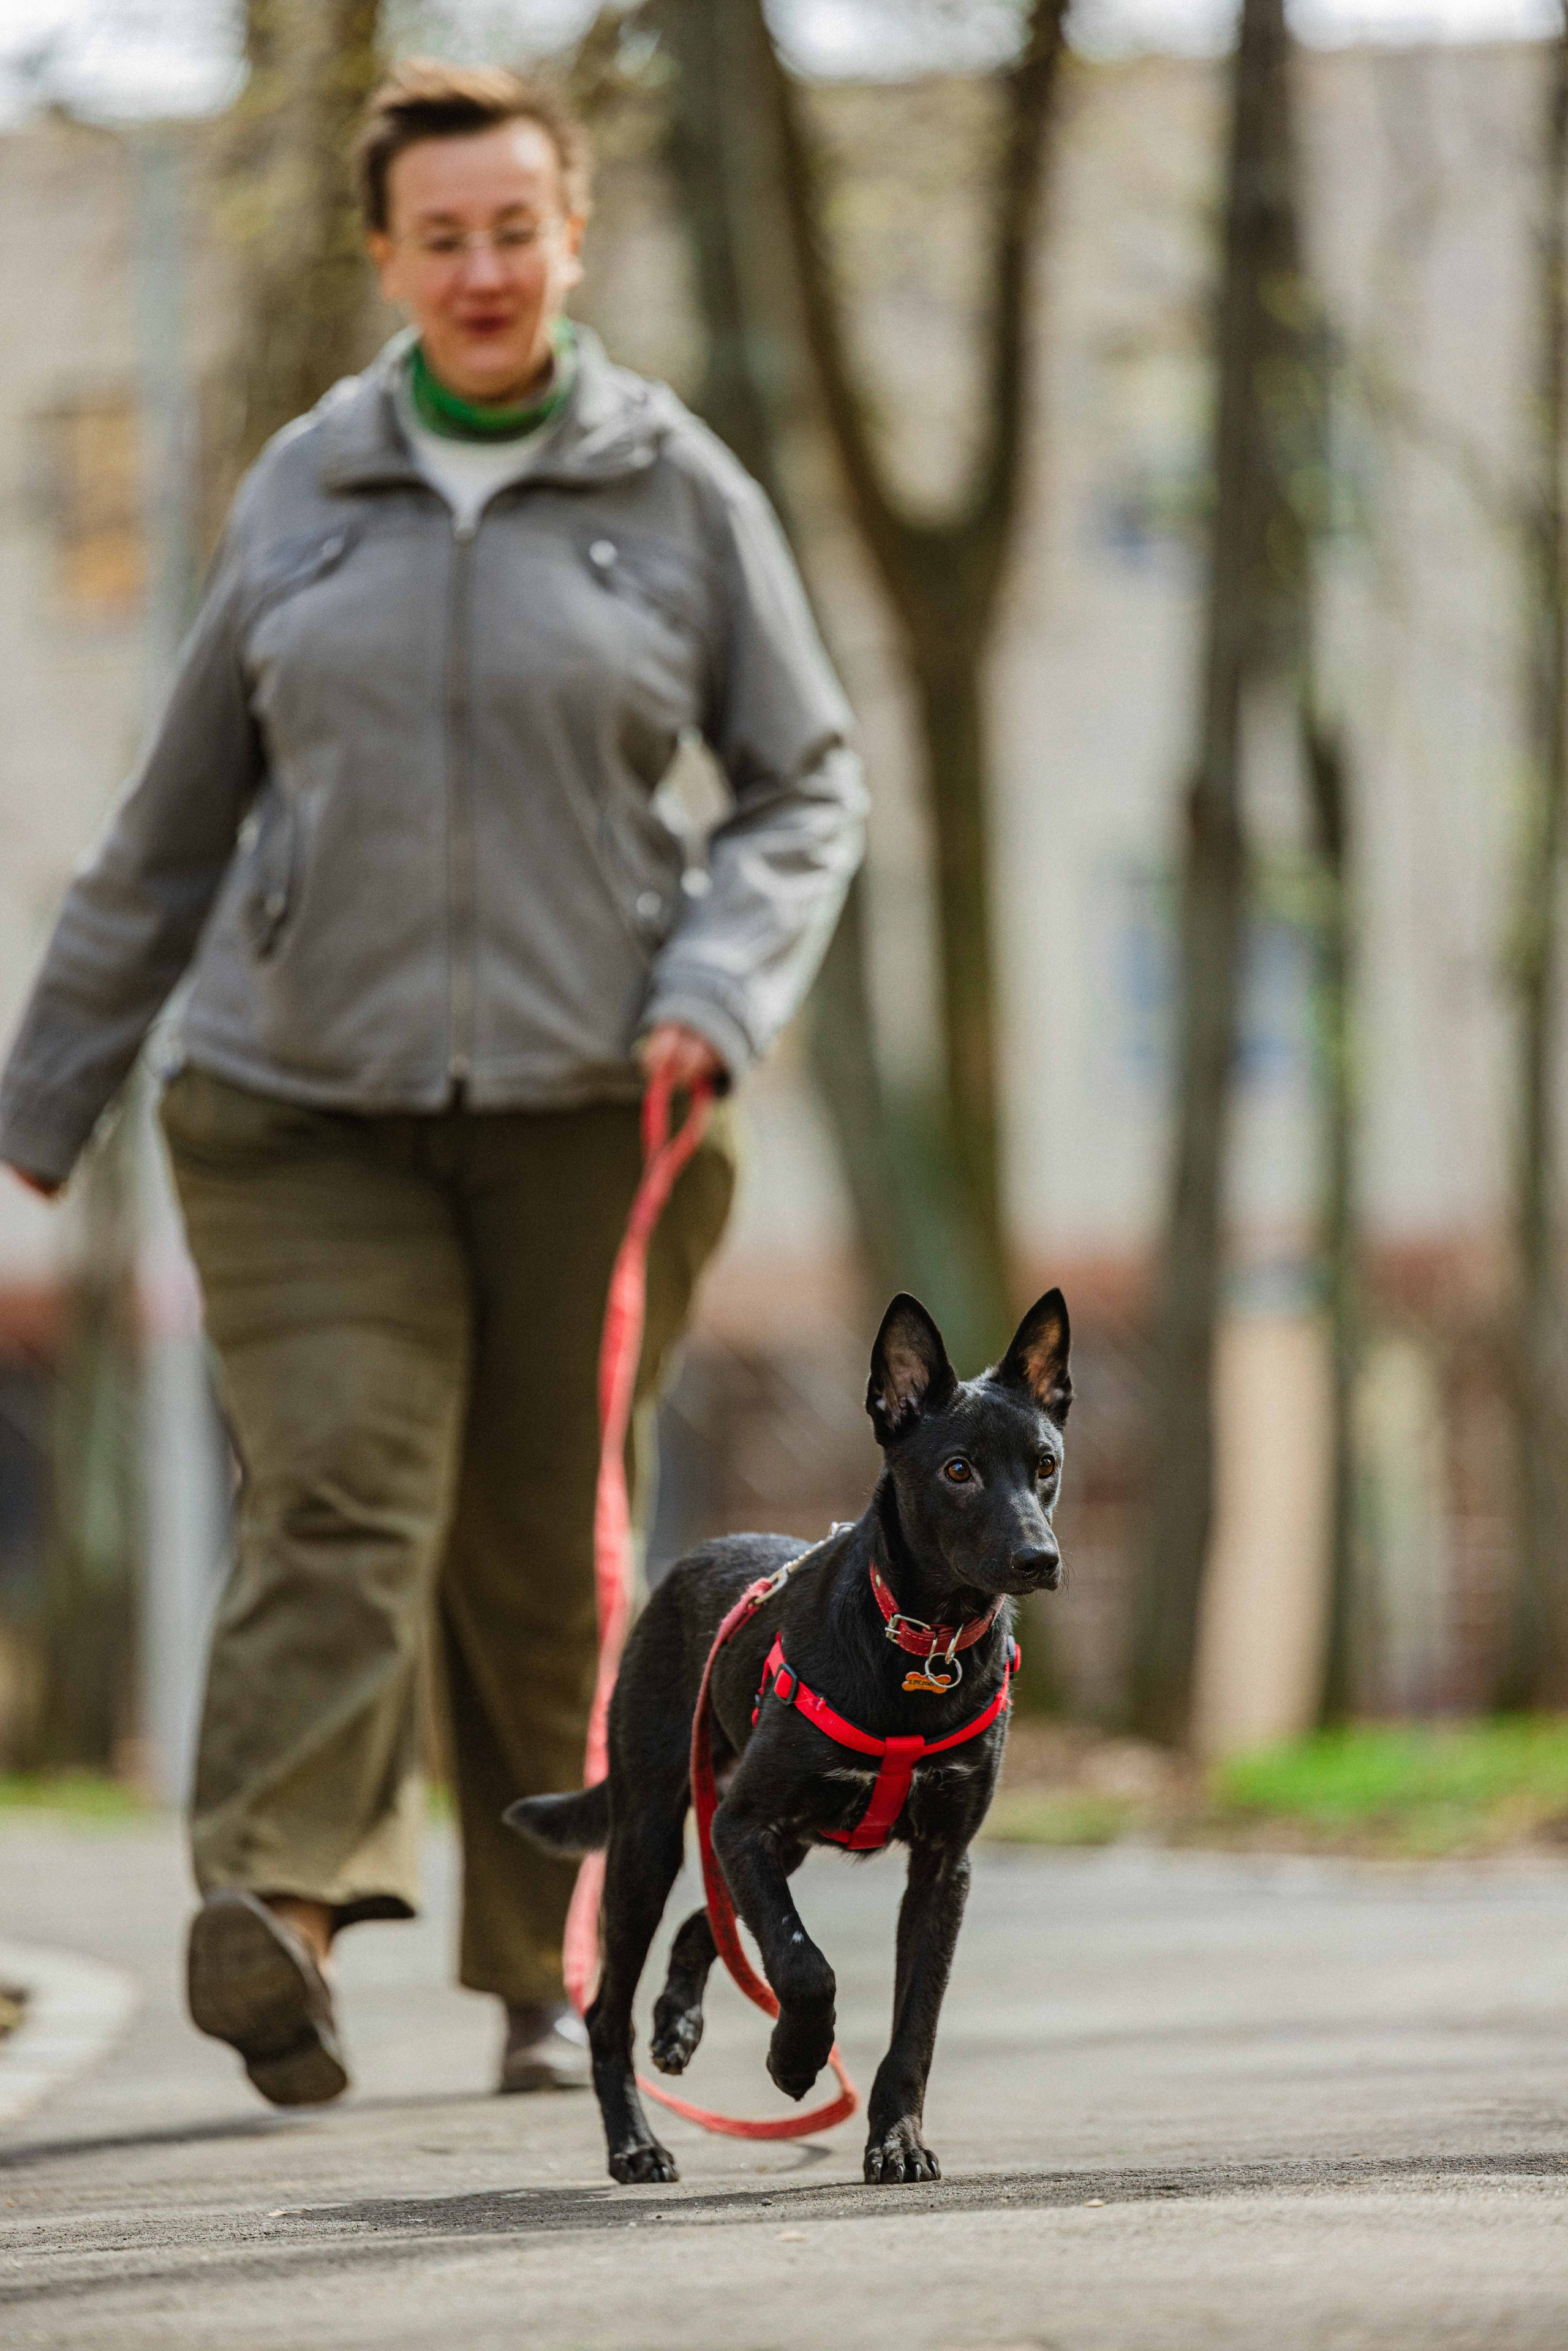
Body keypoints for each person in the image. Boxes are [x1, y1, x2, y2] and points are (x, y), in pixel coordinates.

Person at [0, 59, 864, 2105]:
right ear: (385, 255)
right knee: (339, 1485)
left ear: (572, 237)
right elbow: (172, 821)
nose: (483, 269)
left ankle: (550, 1972)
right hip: (298, 1103)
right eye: (443, 236)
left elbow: (805, 784)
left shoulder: (678, 490)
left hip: (597, 1105)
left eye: (516, 229)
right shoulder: (305, 485)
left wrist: (718, 982)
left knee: (542, 1538)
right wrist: (41, 1103)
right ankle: (282, 1915)